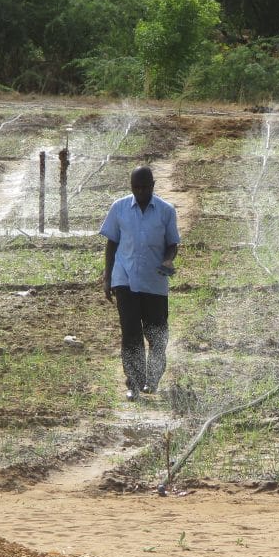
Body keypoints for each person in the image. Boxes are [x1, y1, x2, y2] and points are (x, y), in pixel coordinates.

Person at [100, 166, 180, 401]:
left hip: (154, 281)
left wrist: (168, 260)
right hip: (125, 278)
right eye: (136, 187)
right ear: (131, 186)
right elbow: (112, 243)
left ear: (153, 186)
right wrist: (108, 277)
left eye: (145, 187)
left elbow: (172, 243)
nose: (141, 191)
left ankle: (152, 379)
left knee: (156, 333)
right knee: (131, 333)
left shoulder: (166, 211)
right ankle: (133, 383)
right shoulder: (120, 208)